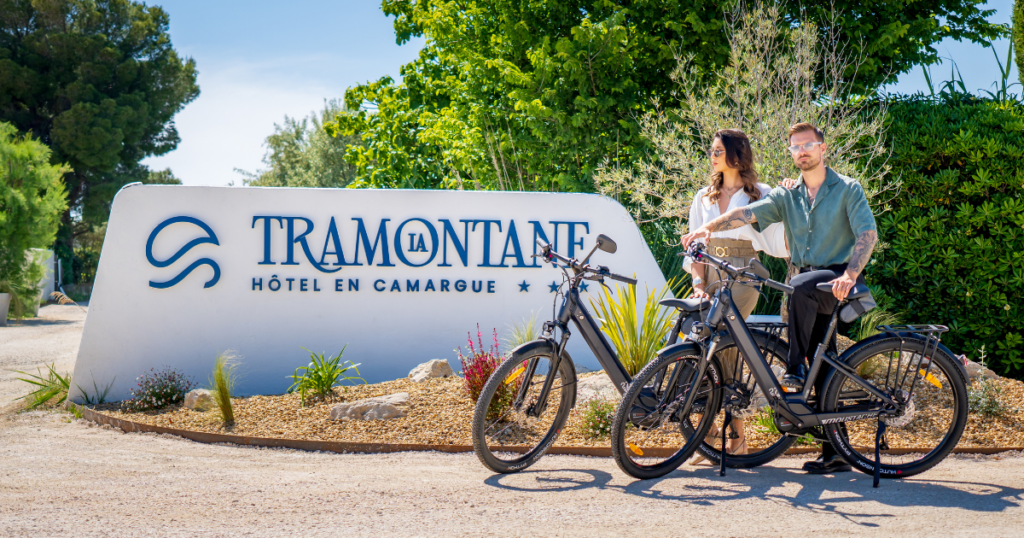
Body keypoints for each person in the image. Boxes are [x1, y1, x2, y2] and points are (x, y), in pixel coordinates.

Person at [681, 122, 878, 474]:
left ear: (822, 148)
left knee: (803, 311)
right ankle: (835, 450)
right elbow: (747, 214)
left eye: (808, 145)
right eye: (795, 147)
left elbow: (867, 233)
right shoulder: (789, 195)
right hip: (803, 280)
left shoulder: (848, 188)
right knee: (824, 356)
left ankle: (793, 368)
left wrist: (850, 275)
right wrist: (708, 228)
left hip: (835, 278)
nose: (801, 151)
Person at [682, 129, 788, 459]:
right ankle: (711, 429)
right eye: (711, 150)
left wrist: (789, 195)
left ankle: (733, 431)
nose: (712, 156)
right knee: (705, 344)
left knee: (726, 339)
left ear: (736, 155)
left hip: (743, 273)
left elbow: (782, 233)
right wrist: (698, 286)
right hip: (711, 271)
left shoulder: (761, 193)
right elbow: (696, 248)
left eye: (718, 151)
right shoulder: (704, 197)